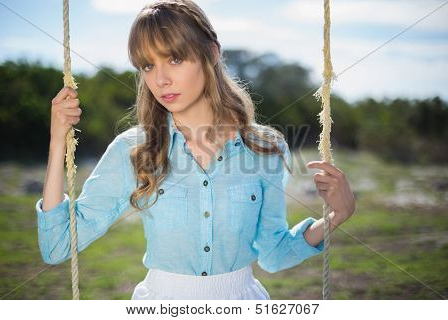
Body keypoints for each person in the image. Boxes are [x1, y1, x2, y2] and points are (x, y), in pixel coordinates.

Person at [36, 0, 356, 300]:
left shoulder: (266, 148)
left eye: (174, 59)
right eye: (148, 65)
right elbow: (58, 246)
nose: (160, 79)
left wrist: (335, 216)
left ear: (211, 53)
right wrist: (55, 141)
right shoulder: (133, 150)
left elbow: (273, 254)